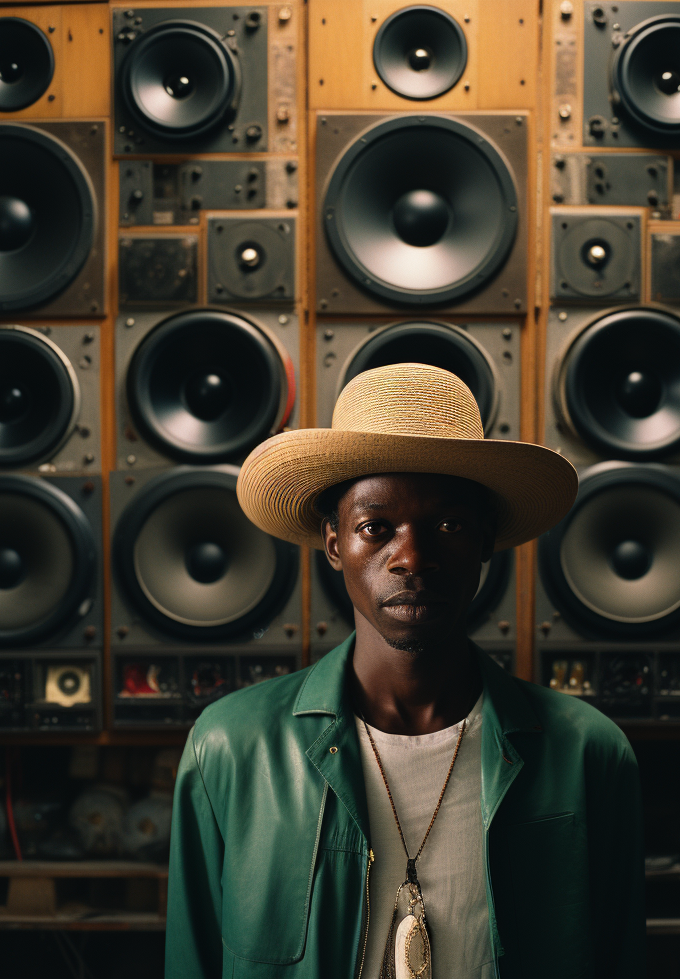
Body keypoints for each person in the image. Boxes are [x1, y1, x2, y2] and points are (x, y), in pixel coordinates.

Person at [165, 363, 645, 979]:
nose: (412, 557)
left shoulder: (588, 753)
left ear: (484, 542)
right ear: (335, 542)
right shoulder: (229, 748)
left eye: (447, 525)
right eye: (376, 528)